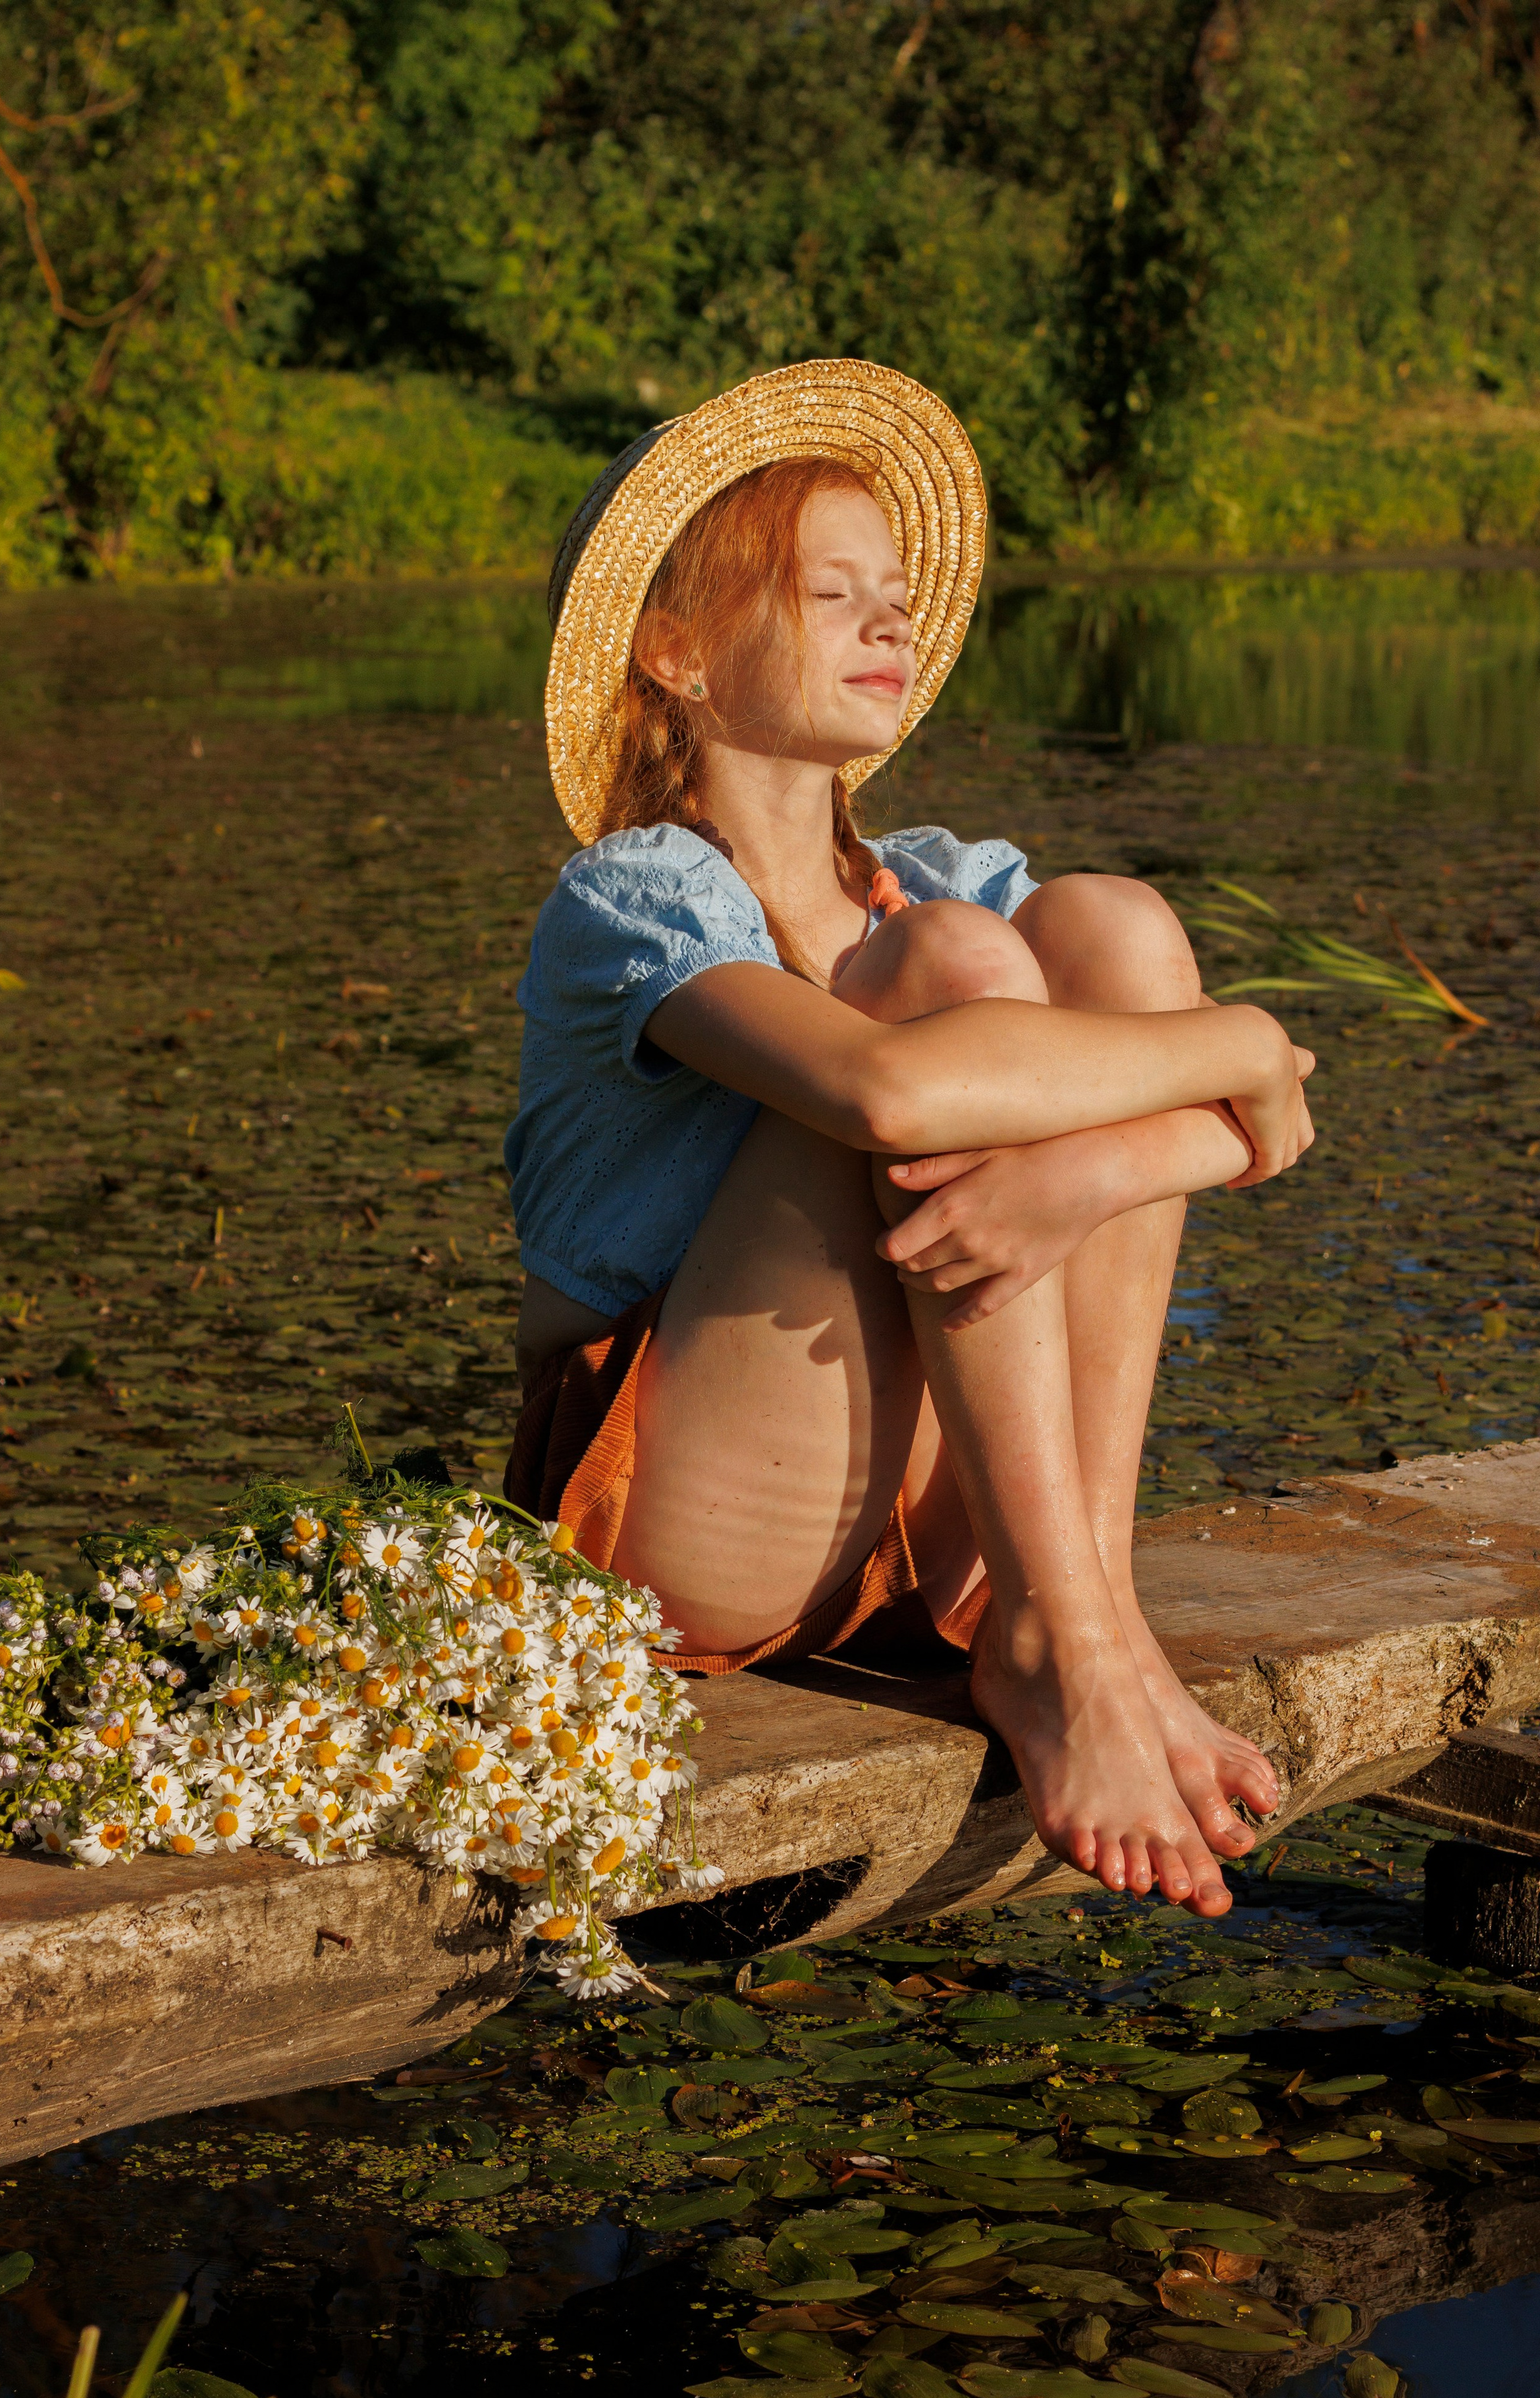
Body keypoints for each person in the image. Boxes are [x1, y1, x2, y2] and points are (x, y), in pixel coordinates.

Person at [504, 360, 1314, 1919]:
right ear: (671, 649)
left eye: (895, 593)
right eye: (831, 592)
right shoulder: (632, 900)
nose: (890, 621)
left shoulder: (942, 876)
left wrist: (1088, 1163)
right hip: (695, 1533)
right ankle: (1063, 1642)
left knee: (1116, 929)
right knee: (950, 987)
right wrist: (1231, 1065)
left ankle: (1079, 1610)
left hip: (930, 1527)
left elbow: (1148, 1086)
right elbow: (891, 1105)